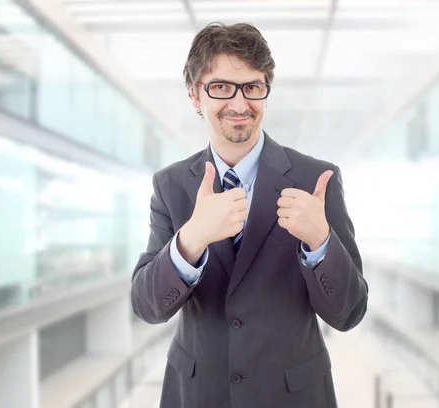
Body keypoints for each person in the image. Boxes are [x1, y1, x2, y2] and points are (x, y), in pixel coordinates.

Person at [131, 22, 368, 408]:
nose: (240, 105)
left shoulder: (316, 180)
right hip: (197, 395)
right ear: (195, 95)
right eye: (221, 87)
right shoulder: (171, 185)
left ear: (266, 93)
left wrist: (321, 243)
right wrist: (190, 241)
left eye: (253, 87)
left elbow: (348, 313)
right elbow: (147, 307)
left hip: (293, 396)